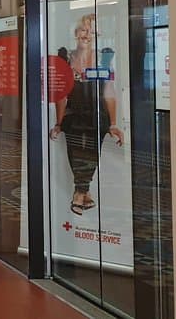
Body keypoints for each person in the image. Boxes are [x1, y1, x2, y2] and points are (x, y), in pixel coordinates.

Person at [49, 13, 123, 216]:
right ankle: (83, 192)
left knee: (91, 154)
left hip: (97, 114)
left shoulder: (105, 57)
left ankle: (81, 192)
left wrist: (113, 123)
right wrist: (59, 122)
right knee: (75, 152)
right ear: (75, 33)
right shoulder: (65, 56)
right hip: (73, 115)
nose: (87, 35)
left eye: (92, 31)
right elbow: (61, 94)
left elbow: (109, 91)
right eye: (84, 30)